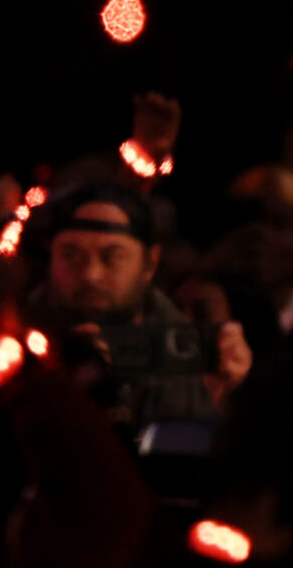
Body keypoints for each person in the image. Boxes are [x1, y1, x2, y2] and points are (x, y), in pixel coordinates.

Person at [24, 183, 250, 430]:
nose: (91, 275)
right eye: (71, 255)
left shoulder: (183, 355)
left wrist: (220, 399)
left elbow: (192, 445)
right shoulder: (12, 337)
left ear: (150, 263)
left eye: (113, 257)